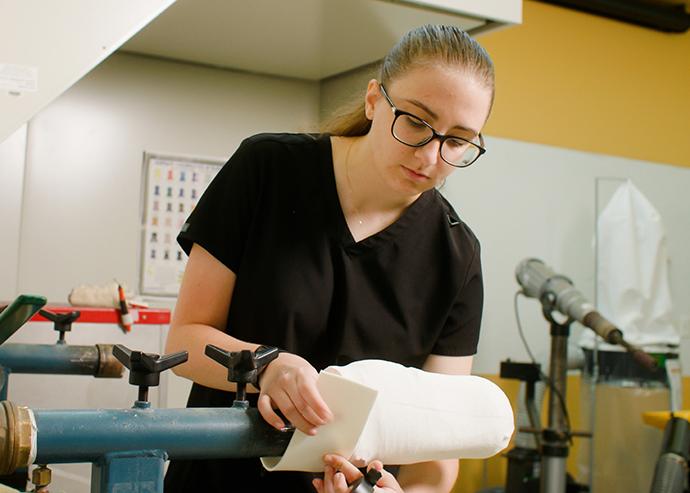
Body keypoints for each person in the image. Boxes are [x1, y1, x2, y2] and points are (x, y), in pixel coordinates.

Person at [164, 23, 494, 492]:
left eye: (458, 140)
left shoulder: (457, 256)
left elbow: (437, 456)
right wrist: (265, 365)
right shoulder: (268, 170)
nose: (431, 157)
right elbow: (184, 341)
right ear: (374, 101)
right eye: (416, 122)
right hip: (216, 480)